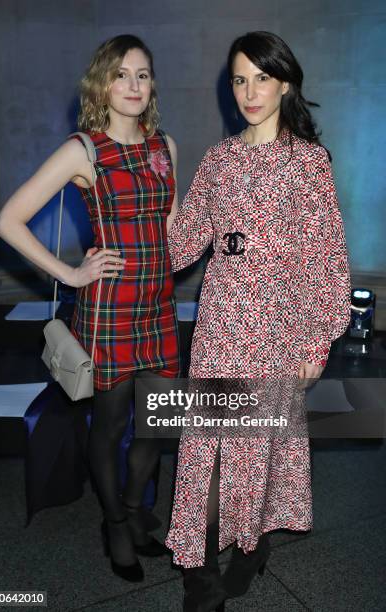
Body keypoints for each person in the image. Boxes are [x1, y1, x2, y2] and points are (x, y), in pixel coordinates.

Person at [164, 31, 351, 611]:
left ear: (285, 82)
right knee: (208, 451)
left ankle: (252, 546)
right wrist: (157, 180)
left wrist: (318, 341)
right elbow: (181, 244)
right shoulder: (218, 160)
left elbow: (327, 256)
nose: (249, 91)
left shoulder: (308, 162)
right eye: (239, 79)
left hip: (279, 330)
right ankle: (199, 571)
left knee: (261, 448)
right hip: (221, 326)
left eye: (261, 78)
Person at [0, 34, 180, 583]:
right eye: (121, 74)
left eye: (142, 74)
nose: (133, 85)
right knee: (111, 424)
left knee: (155, 424)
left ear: (152, 85)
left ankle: (132, 504)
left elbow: (172, 226)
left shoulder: (163, 145)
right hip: (109, 308)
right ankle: (117, 522)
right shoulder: (85, 149)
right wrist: (73, 274)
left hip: (159, 305)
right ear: (102, 83)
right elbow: (9, 220)